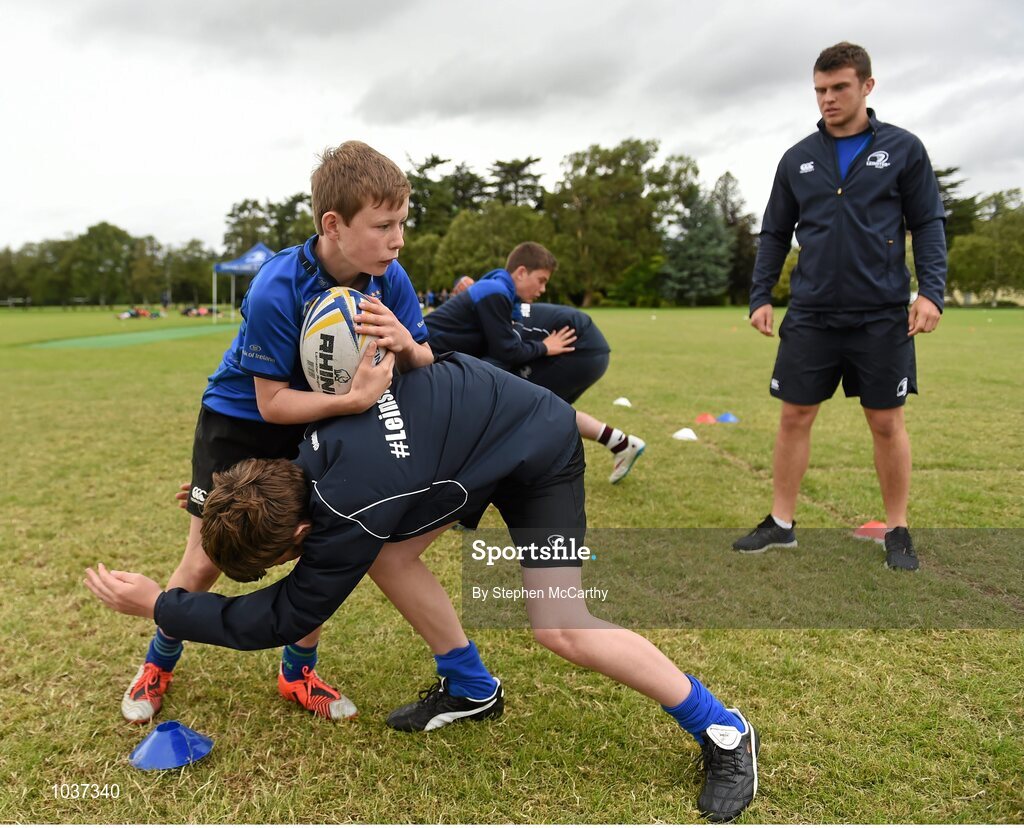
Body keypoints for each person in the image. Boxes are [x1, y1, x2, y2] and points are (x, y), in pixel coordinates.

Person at [86, 350, 759, 823]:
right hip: (475, 432)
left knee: (563, 627)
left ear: (298, 538)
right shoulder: (305, 449)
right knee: (391, 557)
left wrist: (157, 602)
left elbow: (278, 618)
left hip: (537, 445)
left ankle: (725, 730)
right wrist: (215, 500)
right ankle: (470, 688)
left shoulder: (346, 513)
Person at [120, 140, 435, 725]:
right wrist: (354, 399)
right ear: (333, 225)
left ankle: (298, 672)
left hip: (327, 419)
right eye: (384, 225)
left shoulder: (389, 280)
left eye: (402, 224)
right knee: (206, 556)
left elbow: (425, 361)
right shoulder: (277, 285)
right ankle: (158, 663)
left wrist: (407, 341)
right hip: (240, 421)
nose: (398, 240)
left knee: (320, 545)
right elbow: (269, 403)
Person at [733, 42, 946, 570]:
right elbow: (776, 232)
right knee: (794, 415)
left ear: (866, 86)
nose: (827, 99)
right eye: (820, 91)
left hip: (880, 313)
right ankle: (781, 525)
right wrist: (761, 294)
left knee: (885, 421)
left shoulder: (903, 149)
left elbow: (928, 223)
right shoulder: (798, 157)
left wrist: (931, 291)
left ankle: (897, 528)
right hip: (811, 312)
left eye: (839, 88)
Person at [427, 244, 645, 484]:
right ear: (521, 272)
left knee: (528, 409)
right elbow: (506, 349)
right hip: (425, 359)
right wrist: (545, 346)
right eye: (541, 280)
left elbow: (501, 349)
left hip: (584, 349)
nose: (543, 289)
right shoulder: (497, 292)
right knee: (530, 409)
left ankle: (472, 496)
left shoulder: (502, 295)